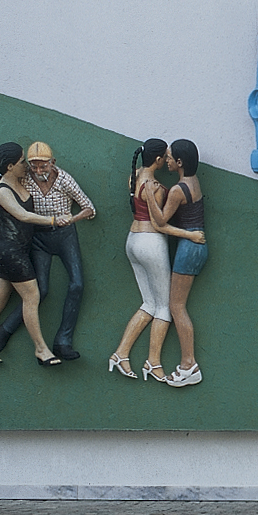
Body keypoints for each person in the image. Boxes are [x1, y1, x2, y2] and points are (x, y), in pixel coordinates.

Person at [0, 140, 97, 361]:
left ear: (52, 163)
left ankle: (63, 341)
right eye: (33, 165)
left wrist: (70, 219)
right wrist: (2, 223)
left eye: (43, 165)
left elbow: (89, 208)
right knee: (40, 290)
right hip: (37, 236)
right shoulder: (23, 178)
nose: (38, 170)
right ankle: (4, 331)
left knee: (77, 283)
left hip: (65, 235)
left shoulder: (64, 179)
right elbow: (8, 200)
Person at [0, 142, 68, 368]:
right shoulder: (3, 189)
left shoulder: (16, 180)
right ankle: (41, 350)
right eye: (22, 161)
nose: (25, 164)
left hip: (10, 249)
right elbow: (22, 215)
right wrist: (54, 220)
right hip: (10, 253)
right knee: (32, 297)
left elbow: (4, 217)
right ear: (10, 166)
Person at [109, 139, 175, 382]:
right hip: (151, 243)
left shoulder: (134, 175)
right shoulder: (155, 186)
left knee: (148, 303)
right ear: (158, 160)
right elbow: (160, 222)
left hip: (132, 241)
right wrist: (187, 233)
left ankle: (121, 353)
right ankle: (153, 363)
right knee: (164, 308)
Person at [152, 139, 207, 388]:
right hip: (195, 246)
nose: (168, 160)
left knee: (176, 307)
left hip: (189, 248)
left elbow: (162, 221)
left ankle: (189, 365)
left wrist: (148, 193)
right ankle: (188, 364)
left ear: (180, 162)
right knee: (178, 306)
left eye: (170, 157)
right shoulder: (193, 182)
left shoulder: (177, 190)